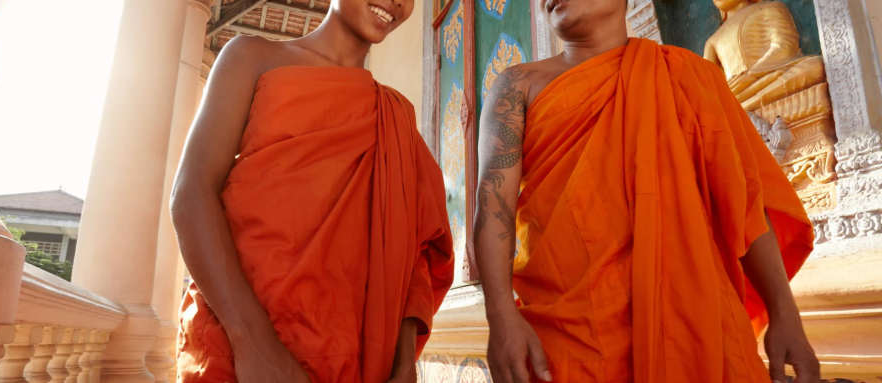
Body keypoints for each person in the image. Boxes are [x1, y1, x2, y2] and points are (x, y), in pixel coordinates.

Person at [473, 0, 819, 382]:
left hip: (696, 330)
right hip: (571, 341)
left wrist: (784, 312)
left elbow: (746, 205)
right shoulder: (518, 86)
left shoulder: (689, 77)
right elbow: (492, 209)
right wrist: (501, 316)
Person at [169, 0, 454, 381]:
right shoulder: (252, 58)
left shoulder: (395, 117)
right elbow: (192, 195)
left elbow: (413, 256)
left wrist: (403, 362)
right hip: (240, 346)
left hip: (352, 359)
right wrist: (254, 343)